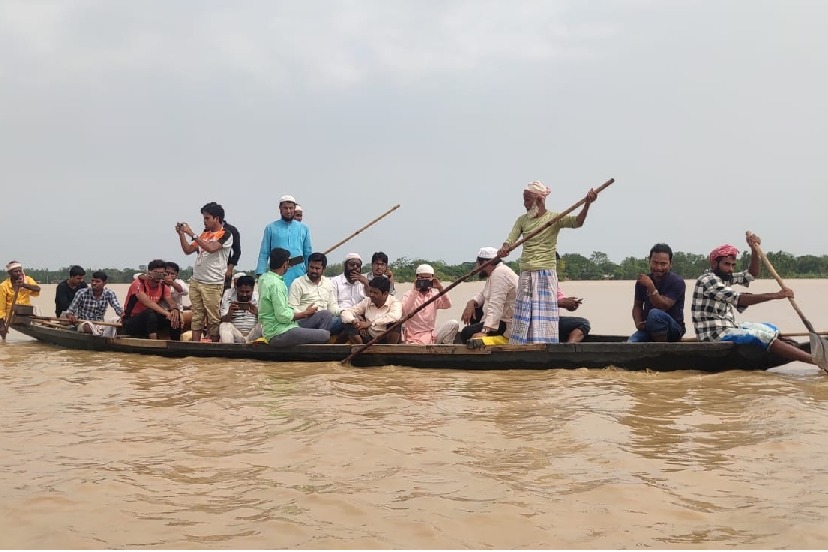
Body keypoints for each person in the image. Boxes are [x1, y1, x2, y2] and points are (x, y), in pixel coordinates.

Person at [691, 234, 821, 368]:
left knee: (770, 328)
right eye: (726, 264)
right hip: (714, 334)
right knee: (760, 336)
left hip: (729, 326)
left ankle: (794, 349)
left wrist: (754, 249)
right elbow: (739, 298)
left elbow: (751, 274)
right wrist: (775, 295)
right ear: (714, 264)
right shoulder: (708, 280)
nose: (730, 269)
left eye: (733, 265)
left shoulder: (724, 277)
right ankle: (815, 361)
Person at [497, 181, 597, 344]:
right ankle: (520, 346)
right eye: (524, 200)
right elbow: (510, 239)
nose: (524, 204)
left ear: (539, 200)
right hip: (526, 273)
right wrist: (504, 248)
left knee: (543, 315)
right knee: (524, 315)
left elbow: (577, 222)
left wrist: (587, 204)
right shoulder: (522, 221)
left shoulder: (554, 218)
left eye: (527, 200)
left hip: (545, 273)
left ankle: (544, 345)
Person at [177, 201, 234, 342]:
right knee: (197, 315)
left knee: (213, 317)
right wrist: (182, 235)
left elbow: (212, 248)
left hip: (213, 282)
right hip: (196, 280)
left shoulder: (226, 234)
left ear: (217, 218)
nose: (205, 221)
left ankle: (213, 346)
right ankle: (196, 346)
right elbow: (188, 250)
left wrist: (191, 233)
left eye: (207, 218)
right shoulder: (204, 234)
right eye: (204, 218)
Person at [258, 247, 330, 347]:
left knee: (325, 315)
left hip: (287, 326)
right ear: (285, 265)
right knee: (325, 335)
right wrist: (305, 314)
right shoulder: (276, 284)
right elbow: (282, 316)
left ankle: (311, 343)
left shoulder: (264, 278)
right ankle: (313, 349)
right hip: (278, 333)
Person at [627, 243, 686, 342]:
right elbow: (637, 305)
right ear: (649, 262)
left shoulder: (677, 282)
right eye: (655, 263)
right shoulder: (642, 282)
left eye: (663, 264)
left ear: (670, 264)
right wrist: (638, 323)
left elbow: (663, 305)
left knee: (655, 314)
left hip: (673, 330)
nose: (658, 267)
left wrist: (650, 286)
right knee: (630, 344)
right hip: (648, 329)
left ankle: (660, 349)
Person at [459, 247, 518, 343]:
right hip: (499, 320)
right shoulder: (495, 273)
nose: (477, 267)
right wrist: (471, 302)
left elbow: (496, 304)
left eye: (478, 264)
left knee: (466, 333)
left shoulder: (500, 274)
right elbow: (483, 294)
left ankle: (492, 338)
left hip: (505, 323)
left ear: (484, 263)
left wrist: (485, 331)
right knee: (476, 311)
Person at [256, 195, 311, 290]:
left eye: (291, 208)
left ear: (294, 209)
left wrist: (309, 270)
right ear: (280, 209)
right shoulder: (271, 228)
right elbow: (264, 253)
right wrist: (260, 273)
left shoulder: (304, 228)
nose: (288, 211)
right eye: (285, 208)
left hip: (299, 271)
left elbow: (307, 252)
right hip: (277, 272)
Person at [122, 259, 181, 340]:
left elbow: (170, 301)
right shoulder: (138, 284)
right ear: (149, 273)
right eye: (156, 273)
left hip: (150, 321)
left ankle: (176, 343)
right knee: (150, 312)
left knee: (174, 316)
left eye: (161, 274)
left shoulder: (163, 287)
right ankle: (154, 342)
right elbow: (147, 302)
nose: (159, 276)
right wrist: (166, 313)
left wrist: (174, 309)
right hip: (131, 321)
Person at [400, 264, 458, 344]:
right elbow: (405, 311)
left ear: (432, 278)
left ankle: (445, 349)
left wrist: (440, 289)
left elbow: (448, 305)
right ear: (416, 278)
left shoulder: (434, 295)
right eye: (422, 278)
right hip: (413, 338)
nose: (425, 281)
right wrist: (415, 290)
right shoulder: (409, 294)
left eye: (427, 278)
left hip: (431, 336)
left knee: (453, 324)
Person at [289, 252, 341, 333]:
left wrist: (343, 312)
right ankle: (320, 341)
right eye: (311, 267)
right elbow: (291, 308)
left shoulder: (328, 283)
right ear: (308, 266)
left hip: (326, 321)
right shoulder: (298, 283)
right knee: (325, 314)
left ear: (324, 269)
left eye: (317, 268)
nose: (313, 271)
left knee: (346, 321)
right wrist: (305, 313)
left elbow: (332, 306)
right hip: (304, 322)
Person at [341, 277, 402, 344]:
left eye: (375, 293)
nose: (371, 295)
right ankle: (359, 348)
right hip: (368, 337)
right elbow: (346, 312)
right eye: (370, 291)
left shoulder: (395, 302)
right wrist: (355, 321)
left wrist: (370, 324)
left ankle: (390, 350)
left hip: (386, 338)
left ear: (385, 293)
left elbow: (395, 316)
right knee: (348, 323)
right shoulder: (367, 301)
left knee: (396, 323)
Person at [64, 271, 123, 337]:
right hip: (84, 323)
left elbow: (118, 309)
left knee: (117, 320)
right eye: (92, 281)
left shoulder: (109, 293)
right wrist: (71, 317)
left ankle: (101, 332)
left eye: (97, 281)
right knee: (87, 326)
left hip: (100, 324)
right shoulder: (82, 293)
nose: (93, 283)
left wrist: (124, 317)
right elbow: (69, 311)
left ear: (104, 283)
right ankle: (101, 334)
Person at [0, 260, 42, 337]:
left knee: (37, 308)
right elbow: (1, 308)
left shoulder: (27, 280)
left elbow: (37, 289)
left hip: (26, 312)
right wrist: (2, 326)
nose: (19, 273)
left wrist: (24, 285)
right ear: (10, 273)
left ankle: (42, 330)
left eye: (20, 271)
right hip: (12, 314)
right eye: (16, 272)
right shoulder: (4, 286)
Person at [218, 274, 262, 344]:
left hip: (253, 336)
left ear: (253, 289)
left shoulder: (259, 298)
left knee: (264, 324)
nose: (244, 295)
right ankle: (228, 351)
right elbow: (223, 320)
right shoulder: (228, 296)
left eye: (247, 292)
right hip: (236, 335)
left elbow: (265, 320)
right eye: (241, 292)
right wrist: (229, 314)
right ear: (237, 289)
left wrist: (257, 313)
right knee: (224, 325)